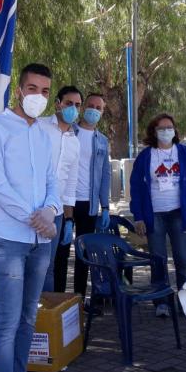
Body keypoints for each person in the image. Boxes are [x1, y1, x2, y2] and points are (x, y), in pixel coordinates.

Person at [0, 63, 61, 372]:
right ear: (19, 91)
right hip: (8, 239)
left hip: (40, 240)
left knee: (28, 320)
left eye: (45, 91)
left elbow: (53, 181)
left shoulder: (46, 135)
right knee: (7, 324)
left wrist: (52, 210)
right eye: (32, 88)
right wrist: (34, 216)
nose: (38, 97)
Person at [129, 113, 186, 317]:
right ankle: (161, 302)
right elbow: (135, 187)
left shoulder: (185, 154)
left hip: (179, 214)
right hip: (154, 215)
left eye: (169, 127)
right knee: (158, 259)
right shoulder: (145, 157)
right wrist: (139, 217)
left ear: (175, 130)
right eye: (161, 128)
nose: (166, 131)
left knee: (183, 260)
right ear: (154, 131)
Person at [58, 92, 112, 296]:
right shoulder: (68, 132)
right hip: (65, 203)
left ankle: (79, 301)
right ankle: (60, 300)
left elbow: (105, 175)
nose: (94, 111)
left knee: (84, 255)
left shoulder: (102, 141)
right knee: (61, 254)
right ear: (83, 107)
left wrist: (105, 206)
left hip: (89, 205)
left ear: (103, 112)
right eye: (91, 106)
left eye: (99, 108)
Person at [39, 86, 82, 292]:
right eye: (68, 103)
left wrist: (69, 219)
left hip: (55, 213)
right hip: (32, 208)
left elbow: (70, 183)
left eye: (77, 105)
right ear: (58, 103)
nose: (73, 108)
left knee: (48, 266)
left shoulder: (75, 142)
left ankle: (44, 318)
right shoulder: (39, 126)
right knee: (27, 266)